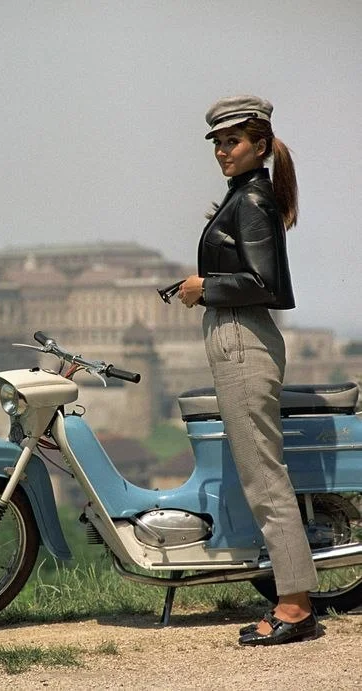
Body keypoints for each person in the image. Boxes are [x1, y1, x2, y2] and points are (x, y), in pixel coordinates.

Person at [178, 95, 319, 646]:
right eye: (216, 142)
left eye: (231, 142)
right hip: (234, 335)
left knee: (263, 475)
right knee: (259, 471)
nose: (221, 151)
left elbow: (270, 287)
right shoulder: (244, 196)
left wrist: (203, 288)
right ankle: (293, 597)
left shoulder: (253, 199)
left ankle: (294, 607)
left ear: (260, 145)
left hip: (243, 337)